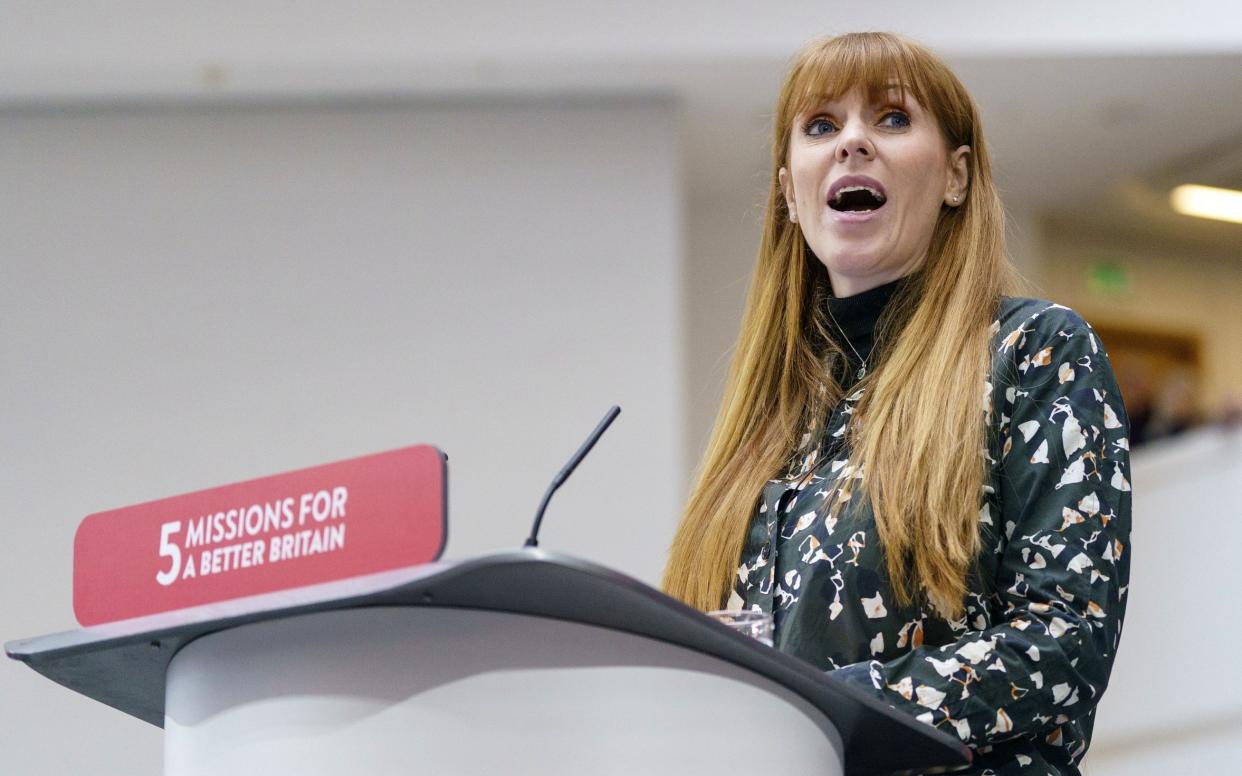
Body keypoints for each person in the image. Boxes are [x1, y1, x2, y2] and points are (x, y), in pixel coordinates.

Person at [662, 32, 1132, 776]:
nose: (851, 142)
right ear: (789, 191)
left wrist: (821, 705)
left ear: (956, 175)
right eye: (821, 126)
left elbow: (1064, 643)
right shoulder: (770, 422)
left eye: (890, 118)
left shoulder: (1033, 353)